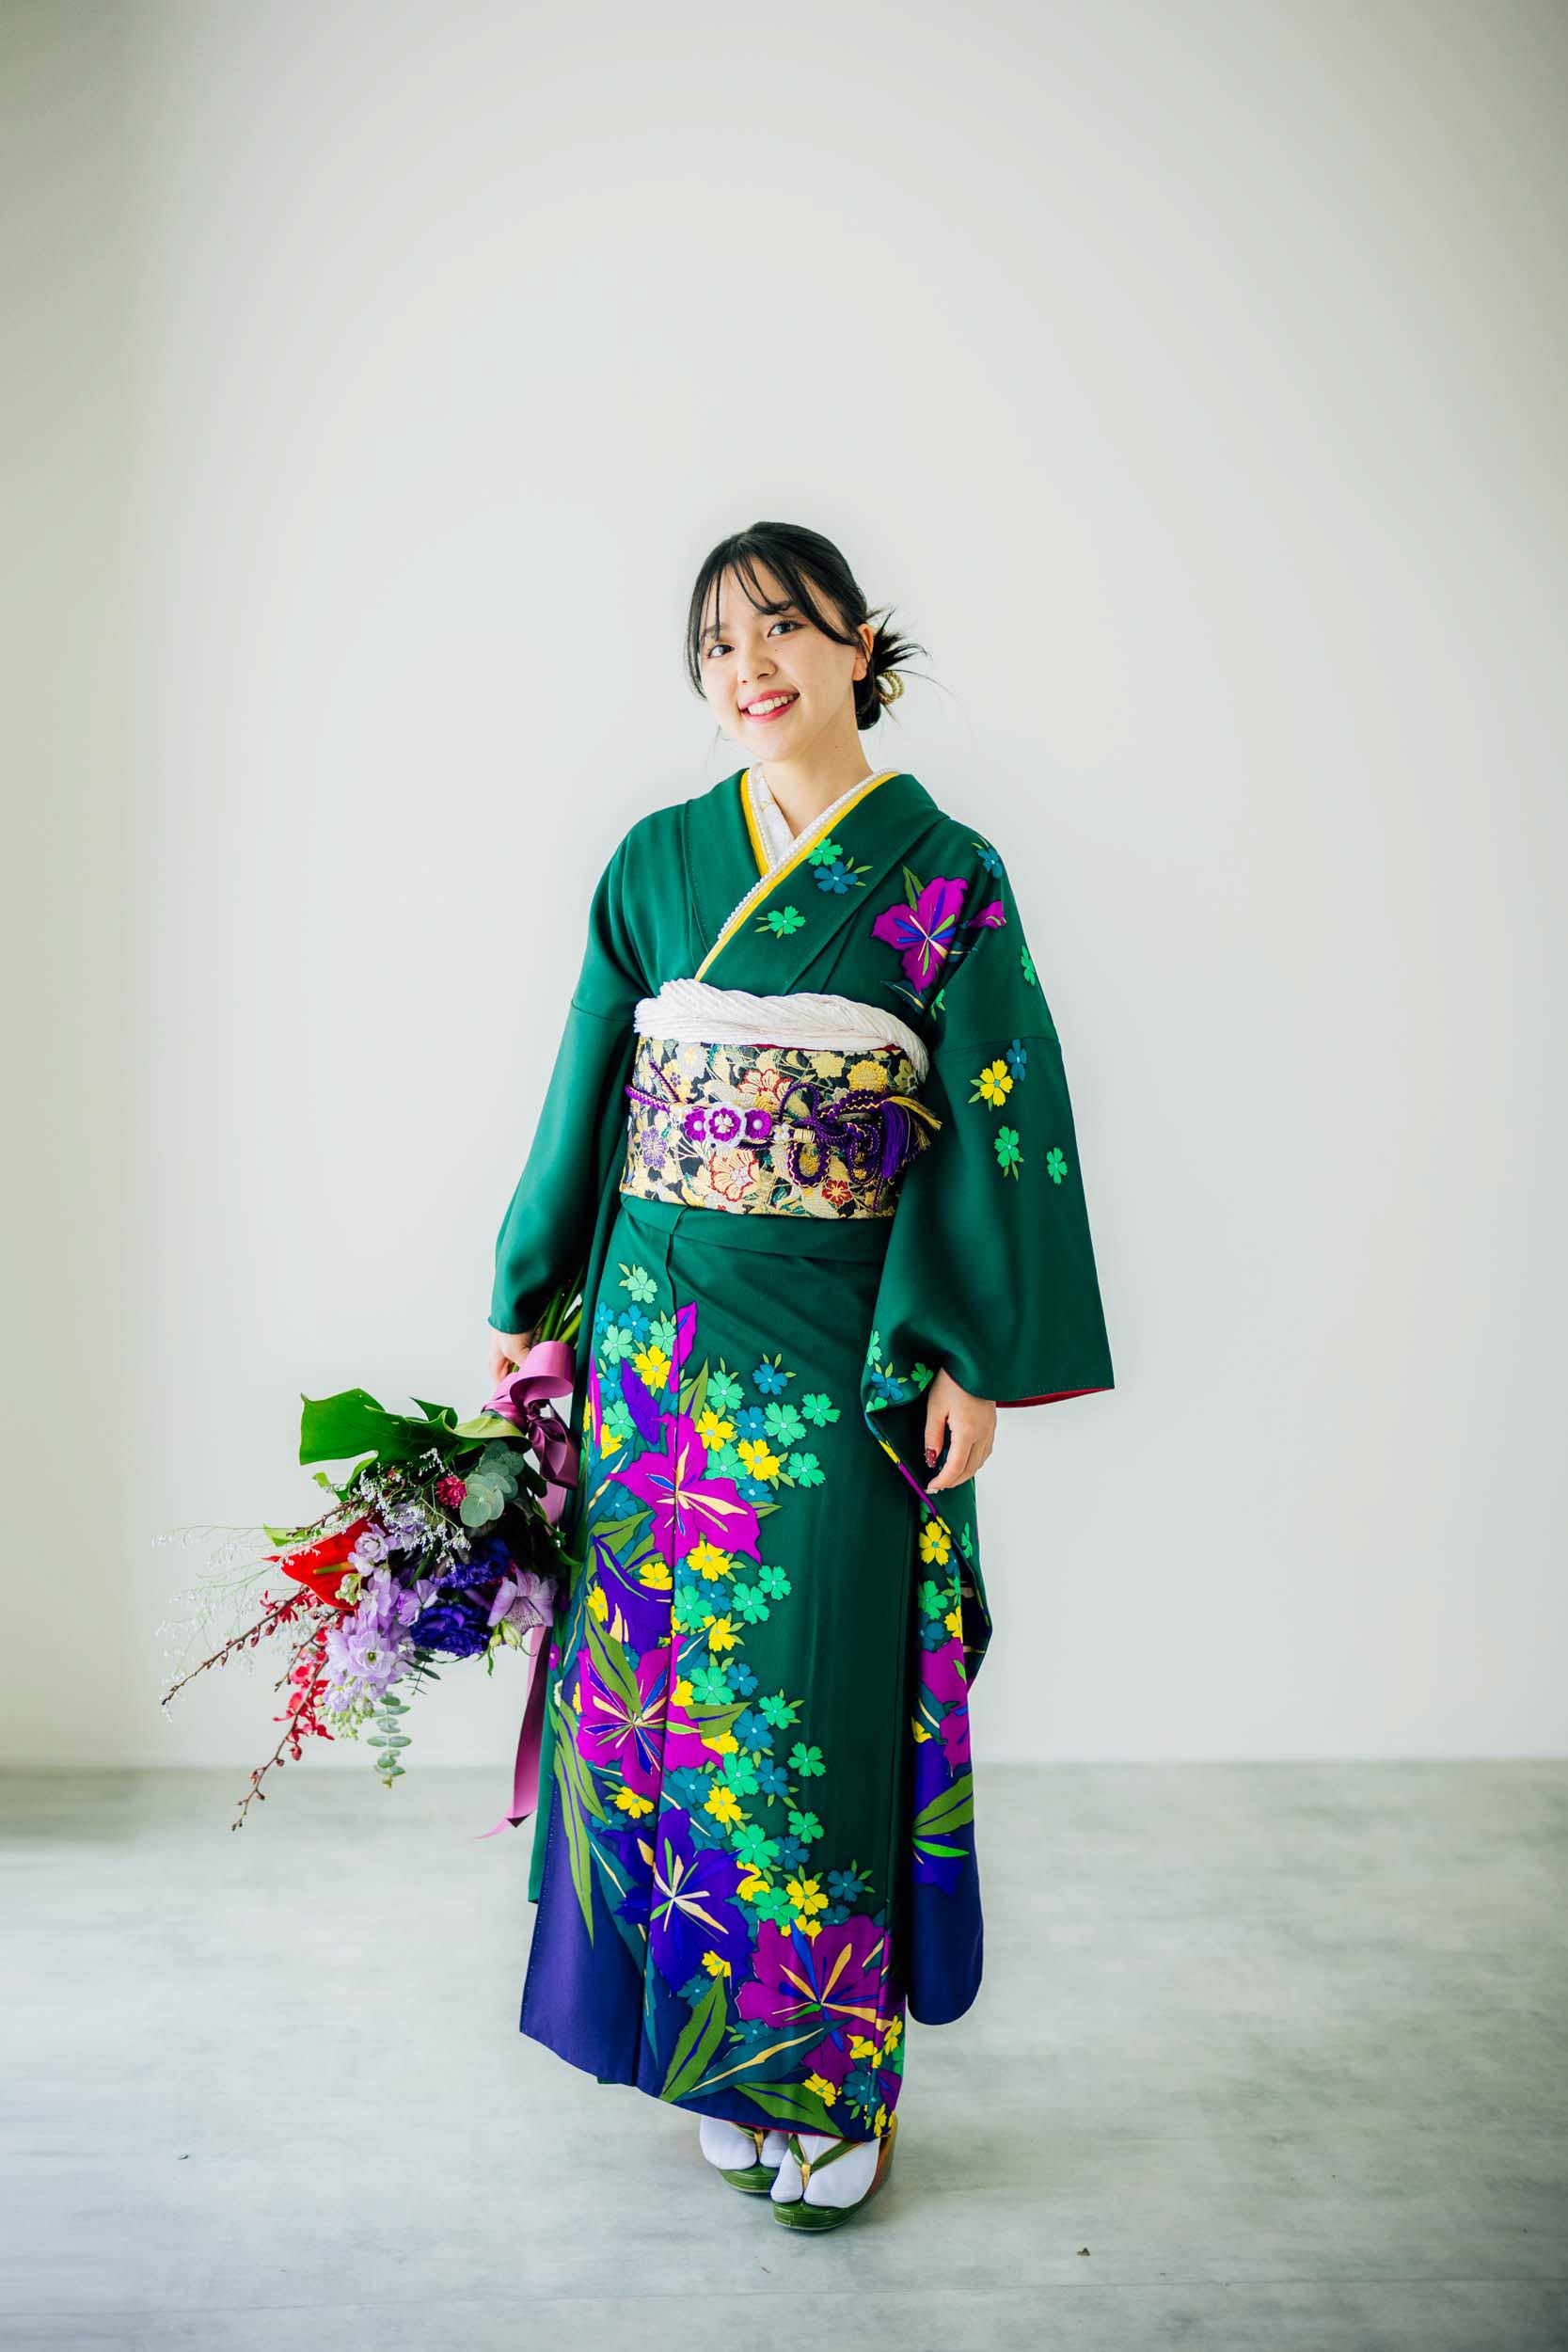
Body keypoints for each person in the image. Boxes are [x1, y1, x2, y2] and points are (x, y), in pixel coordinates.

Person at [485, 519, 1114, 2232]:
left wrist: (966, 1352)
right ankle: (716, 2061)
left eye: (780, 629)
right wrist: (534, 1293)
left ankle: (831, 2082)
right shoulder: (657, 862)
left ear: (855, 643)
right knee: (666, 1708)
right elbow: (588, 1083)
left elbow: (997, 1111)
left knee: (813, 1699)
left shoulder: (947, 873)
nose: (747, 668)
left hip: (840, 1347)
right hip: (656, 1342)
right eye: (717, 646)